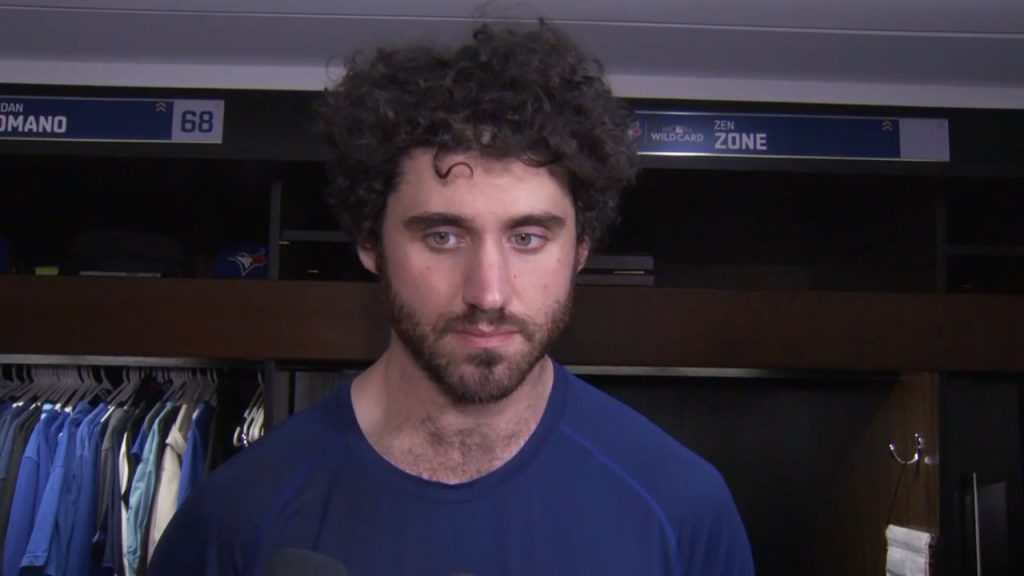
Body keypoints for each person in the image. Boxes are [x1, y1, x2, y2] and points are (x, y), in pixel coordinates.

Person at [149, 21, 754, 576]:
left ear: (581, 248)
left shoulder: (681, 508)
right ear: (369, 242)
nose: (488, 291)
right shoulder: (235, 518)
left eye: (527, 237)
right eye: (442, 235)